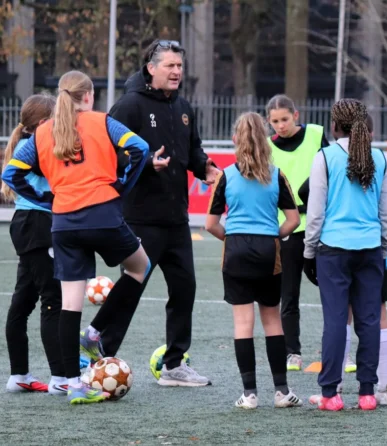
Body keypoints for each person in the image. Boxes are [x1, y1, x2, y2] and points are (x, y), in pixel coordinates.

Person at [2, 70, 151, 404]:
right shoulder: (103, 122)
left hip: (64, 223)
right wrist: (122, 184)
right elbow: (140, 148)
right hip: (103, 215)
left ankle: (72, 384)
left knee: (69, 303)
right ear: (89, 96)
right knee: (140, 266)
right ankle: (96, 332)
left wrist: (46, 199)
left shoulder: (42, 132)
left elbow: (10, 173)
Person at [107, 39, 220, 386]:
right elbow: (110, 151)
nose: (176, 72)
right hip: (140, 216)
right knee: (132, 287)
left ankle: (174, 365)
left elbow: (193, 150)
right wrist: (143, 165)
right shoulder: (129, 106)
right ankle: (101, 354)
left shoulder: (183, 107)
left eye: (180, 66)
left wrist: (208, 169)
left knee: (184, 288)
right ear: (151, 68)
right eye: (170, 66)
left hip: (176, 219)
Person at [205, 112, 303, 409]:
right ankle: (282, 392)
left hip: (235, 250)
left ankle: (249, 395)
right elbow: (294, 220)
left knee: (242, 324)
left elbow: (210, 224)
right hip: (267, 250)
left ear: (236, 140)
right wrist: (275, 236)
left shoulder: (226, 175)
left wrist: (232, 239)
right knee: (272, 320)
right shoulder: (276, 174)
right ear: (265, 139)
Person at [302, 99, 387, 411]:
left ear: (334, 125)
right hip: (369, 249)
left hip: (333, 250)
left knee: (336, 321)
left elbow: (315, 213)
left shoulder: (324, 158)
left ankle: (330, 394)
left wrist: (308, 251)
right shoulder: (380, 158)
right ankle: (367, 393)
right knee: (368, 321)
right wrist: (381, 248)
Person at [3, 94, 64, 395]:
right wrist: (45, 199)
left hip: (29, 224)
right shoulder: (37, 145)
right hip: (36, 224)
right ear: (43, 123)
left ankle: (19, 375)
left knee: (23, 300)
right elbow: (10, 175)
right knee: (52, 298)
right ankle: (61, 378)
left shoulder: (35, 143)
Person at [265, 94, 329, 372]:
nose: (280, 125)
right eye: (275, 121)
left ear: (296, 115)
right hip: (287, 228)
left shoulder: (317, 135)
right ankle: (293, 352)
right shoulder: (268, 148)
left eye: (285, 119)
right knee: (288, 294)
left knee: (331, 291)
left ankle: (338, 348)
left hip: (319, 226)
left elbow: (331, 171)